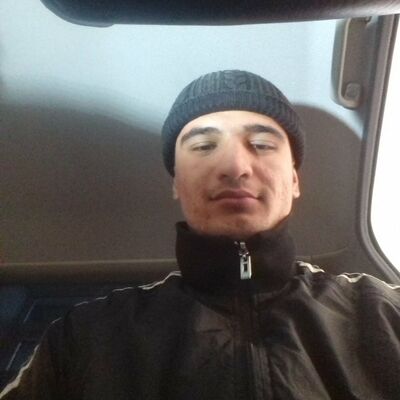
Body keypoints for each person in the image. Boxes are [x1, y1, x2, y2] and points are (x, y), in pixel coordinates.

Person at [1, 70, 400, 399]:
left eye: (262, 144)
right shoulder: (86, 336)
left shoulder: (384, 313)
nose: (235, 166)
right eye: (205, 145)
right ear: (176, 183)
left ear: (294, 180)